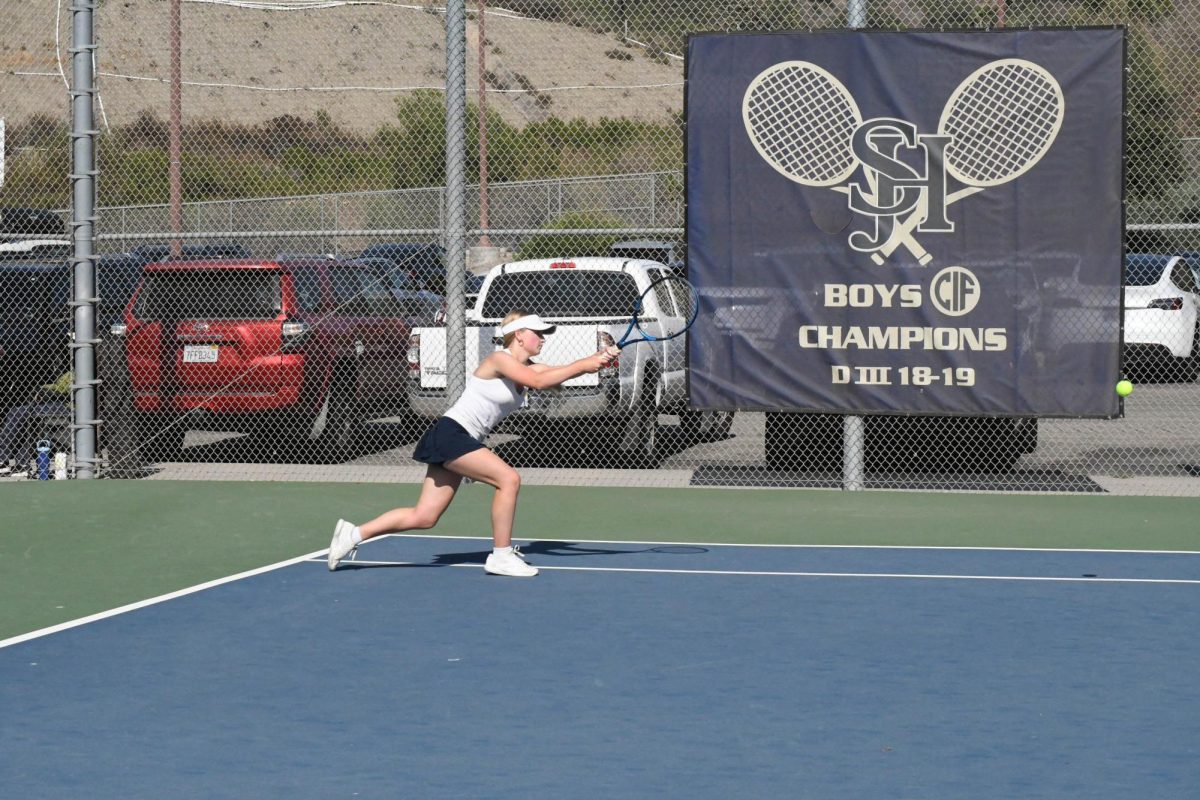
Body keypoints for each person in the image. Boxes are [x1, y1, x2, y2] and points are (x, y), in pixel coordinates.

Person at [327, 309, 618, 577]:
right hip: (452, 433)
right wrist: (585, 363)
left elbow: (552, 375)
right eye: (537, 333)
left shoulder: (530, 367)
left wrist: (596, 361)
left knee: (425, 516)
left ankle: (352, 534)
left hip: (459, 438)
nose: (542, 339)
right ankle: (501, 555)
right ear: (519, 335)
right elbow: (539, 381)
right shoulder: (498, 360)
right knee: (509, 479)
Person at [0, 371, 71, 477]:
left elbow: (62, 389)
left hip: (64, 405)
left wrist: (44, 390)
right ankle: (22, 465)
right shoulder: (60, 370)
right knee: (24, 418)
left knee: (17, 413)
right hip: (51, 402)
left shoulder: (75, 371)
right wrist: (41, 389)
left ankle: (2, 457)